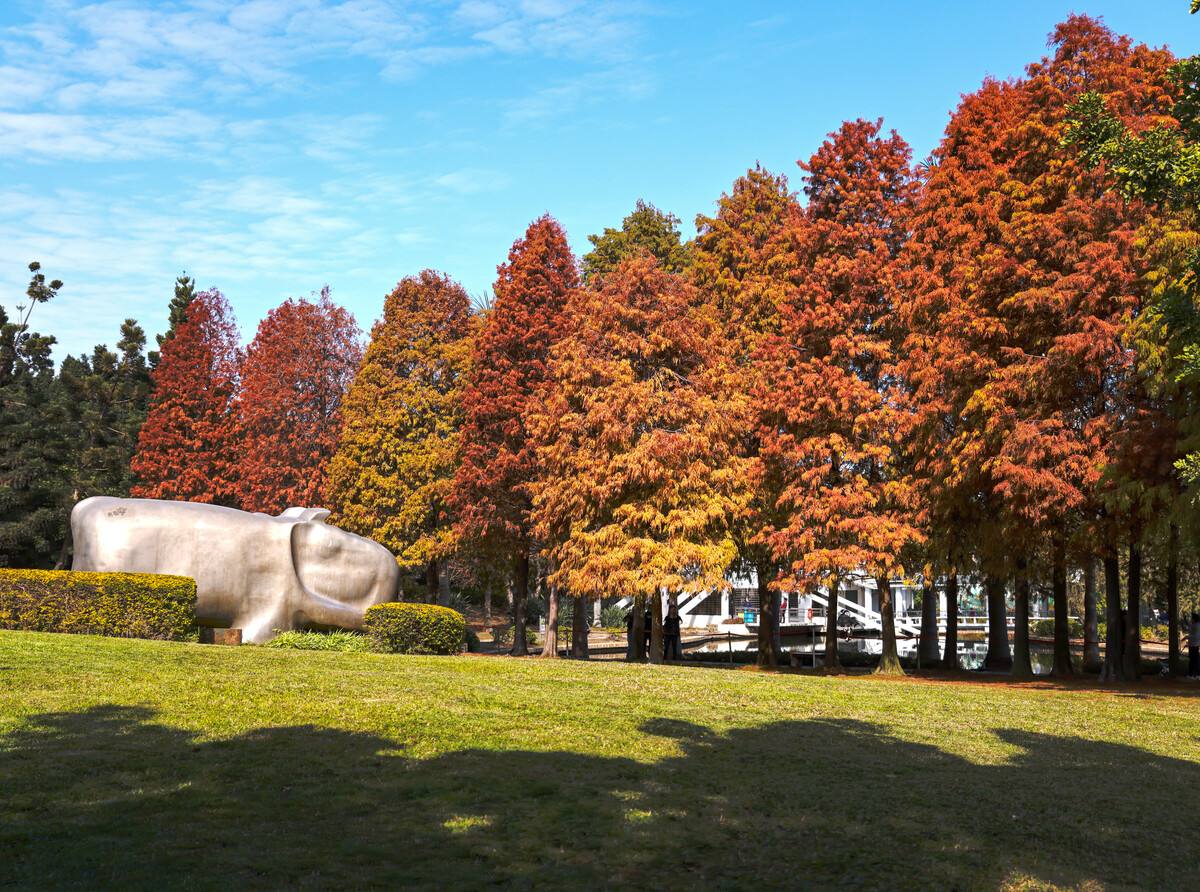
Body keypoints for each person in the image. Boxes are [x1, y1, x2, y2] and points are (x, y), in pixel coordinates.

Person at [1189, 612, 1200, 679]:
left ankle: (1192, 674)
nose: (1191, 619)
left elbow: (1194, 636)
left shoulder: (1195, 626)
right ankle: (1196, 674)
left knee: (1193, 660)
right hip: (1195, 645)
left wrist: (1187, 637)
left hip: (1193, 645)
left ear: (1194, 619)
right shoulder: (1197, 625)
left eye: (1191, 618)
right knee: (1195, 660)